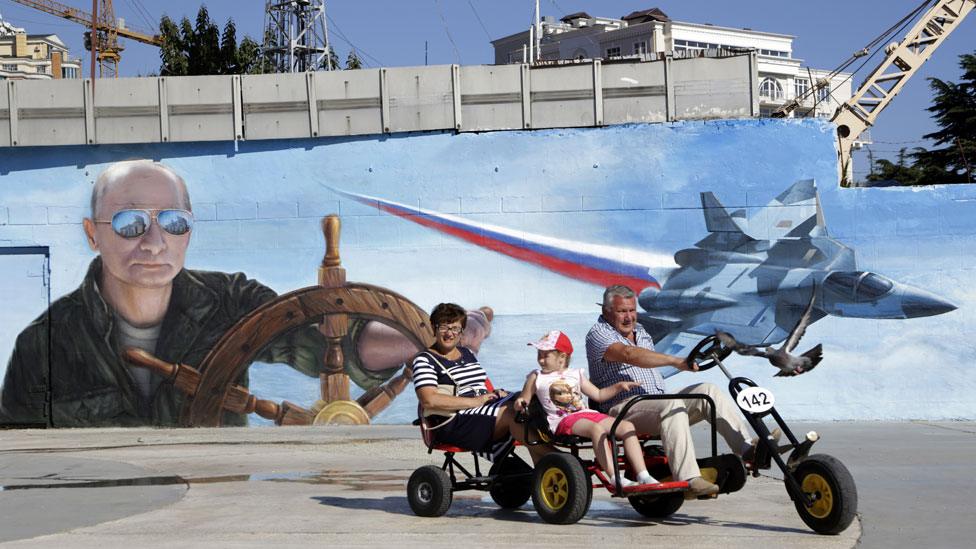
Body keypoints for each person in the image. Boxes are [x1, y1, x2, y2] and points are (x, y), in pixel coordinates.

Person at [0, 160, 326, 428]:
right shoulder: (42, 345)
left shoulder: (232, 302)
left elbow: (316, 343)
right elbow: (24, 462)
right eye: (130, 223)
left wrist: (367, 342)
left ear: (189, 231)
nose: (155, 243)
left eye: (174, 223)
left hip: (214, 504)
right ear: (92, 234)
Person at [586, 284, 767, 498]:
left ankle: (748, 449)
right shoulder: (598, 333)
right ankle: (689, 479)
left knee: (707, 391)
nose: (628, 317)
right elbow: (627, 354)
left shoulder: (641, 331)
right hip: (622, 409)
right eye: (621, 311)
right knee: (670, 404)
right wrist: (676, 361)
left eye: (632, 310)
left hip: (655, 403)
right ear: (606, 312)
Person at [515, 330, 658, 490]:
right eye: (539, 354)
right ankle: (614, 477)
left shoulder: (576, 374)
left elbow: (598, 394)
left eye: (545, 355)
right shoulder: (536, 377)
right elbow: (524, 398)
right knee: (596, 429)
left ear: (562, 357)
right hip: (562, 420)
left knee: (626, 427)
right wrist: (520, 403)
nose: (540, 359)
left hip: (586, 414)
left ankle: (643, 475)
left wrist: (618, 387)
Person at [412, 302, 548, 463]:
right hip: (452, 422)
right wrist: (476, 401)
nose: (450, 333)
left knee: (525, 402)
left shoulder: (467, 353)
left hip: (478, 412)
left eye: (455, 328)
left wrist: (495, 394)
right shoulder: (425, 360)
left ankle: (544, 468)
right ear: (434, 328)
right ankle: (554, 458)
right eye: (444, 327)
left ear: (461, 331)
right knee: (511, 413)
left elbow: (478, 385)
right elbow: (429, 400)